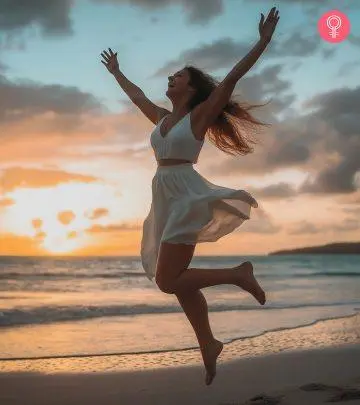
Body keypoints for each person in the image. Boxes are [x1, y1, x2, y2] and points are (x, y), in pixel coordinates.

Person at [101, 7, 280, 386]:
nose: (171, 77)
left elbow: (230, 79)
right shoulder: (162, 119)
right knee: (180, 280)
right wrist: (118, 74)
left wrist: (262, 42)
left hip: (185, 194)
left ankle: (238, 274)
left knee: (168, 281)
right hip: (164, 196)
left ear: (193, 87)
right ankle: (208, 344)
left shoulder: (197, 117)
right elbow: (137, 97)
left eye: (178, 75)